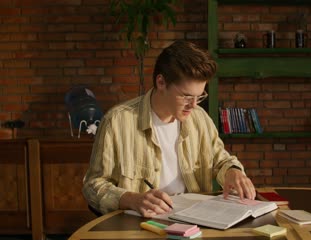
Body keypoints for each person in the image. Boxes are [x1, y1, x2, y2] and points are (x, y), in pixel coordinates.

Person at [82, 40, 256, 217]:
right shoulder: (117, 121)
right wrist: (132, 199)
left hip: (196, 224)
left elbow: (222, 161)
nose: (193, 105)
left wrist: (233, 172)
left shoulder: (200, 118)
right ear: (161, 82)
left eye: (199, 96)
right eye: (186, 96)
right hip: (142, 226)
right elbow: (93, 185)